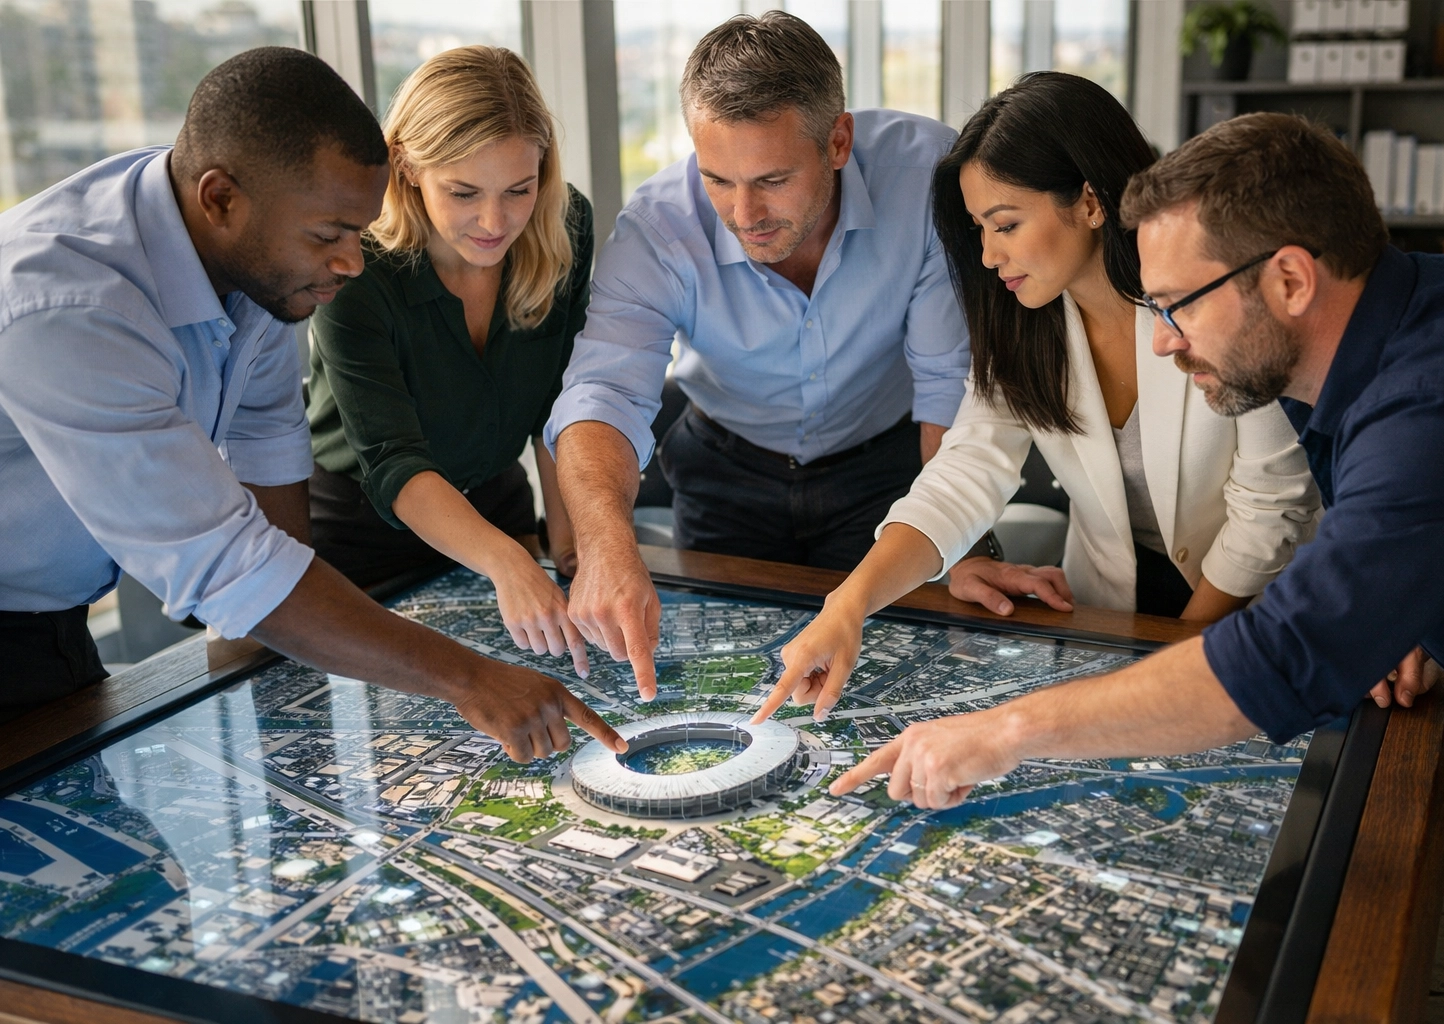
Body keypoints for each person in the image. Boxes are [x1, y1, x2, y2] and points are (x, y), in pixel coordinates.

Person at [806, 113, 1444, 1021]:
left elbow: (1284, 656)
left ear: (1290, 279)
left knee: (1380, 951)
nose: (1162, 340)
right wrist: (1401, 601)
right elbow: (1411, 526)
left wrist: (1003, 732)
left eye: (1180, 304)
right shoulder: (1415, 324)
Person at [0, 47, 621, 763]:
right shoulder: (72, 308)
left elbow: (267, 441)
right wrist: (471, 679)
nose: (353, 262)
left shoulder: (247, 247)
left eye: (356, 231)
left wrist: (269, 654)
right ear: (219, 200)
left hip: (53, 622)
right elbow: (225, 567)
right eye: (329, 236)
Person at [752, 73, 1320, 722]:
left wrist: (1173, 660)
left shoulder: (1213, 292)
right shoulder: (1024, 324)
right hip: (1112, 612)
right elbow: (964, 471)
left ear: (1089, 201)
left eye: (1006, 224)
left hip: (1259, 609)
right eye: (979, 230)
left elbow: (1272, 505)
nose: (988, 256)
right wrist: (849, 606)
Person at [545, 11, 971, 700]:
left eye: (773, 179)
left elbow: (947, 382)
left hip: (888, 473)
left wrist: (963, 543)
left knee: (883, 685)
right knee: (726, 686)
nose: (744, 214)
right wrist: (604, 543)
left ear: (838, 141)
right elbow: (603, 394)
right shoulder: (657, 227)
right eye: (717, 178)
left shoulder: (927, 177)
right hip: (725, 474)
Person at [306, 46, 592, 675]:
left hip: (497, 508)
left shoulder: (565, 225)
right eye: (463, 192)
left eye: (519, 189)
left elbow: (562, 405)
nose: (495, 221)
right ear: (406, 166)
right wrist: (508, 562)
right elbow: (392, 460)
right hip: (359, 539)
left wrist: (574, 545)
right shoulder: (353, 265)